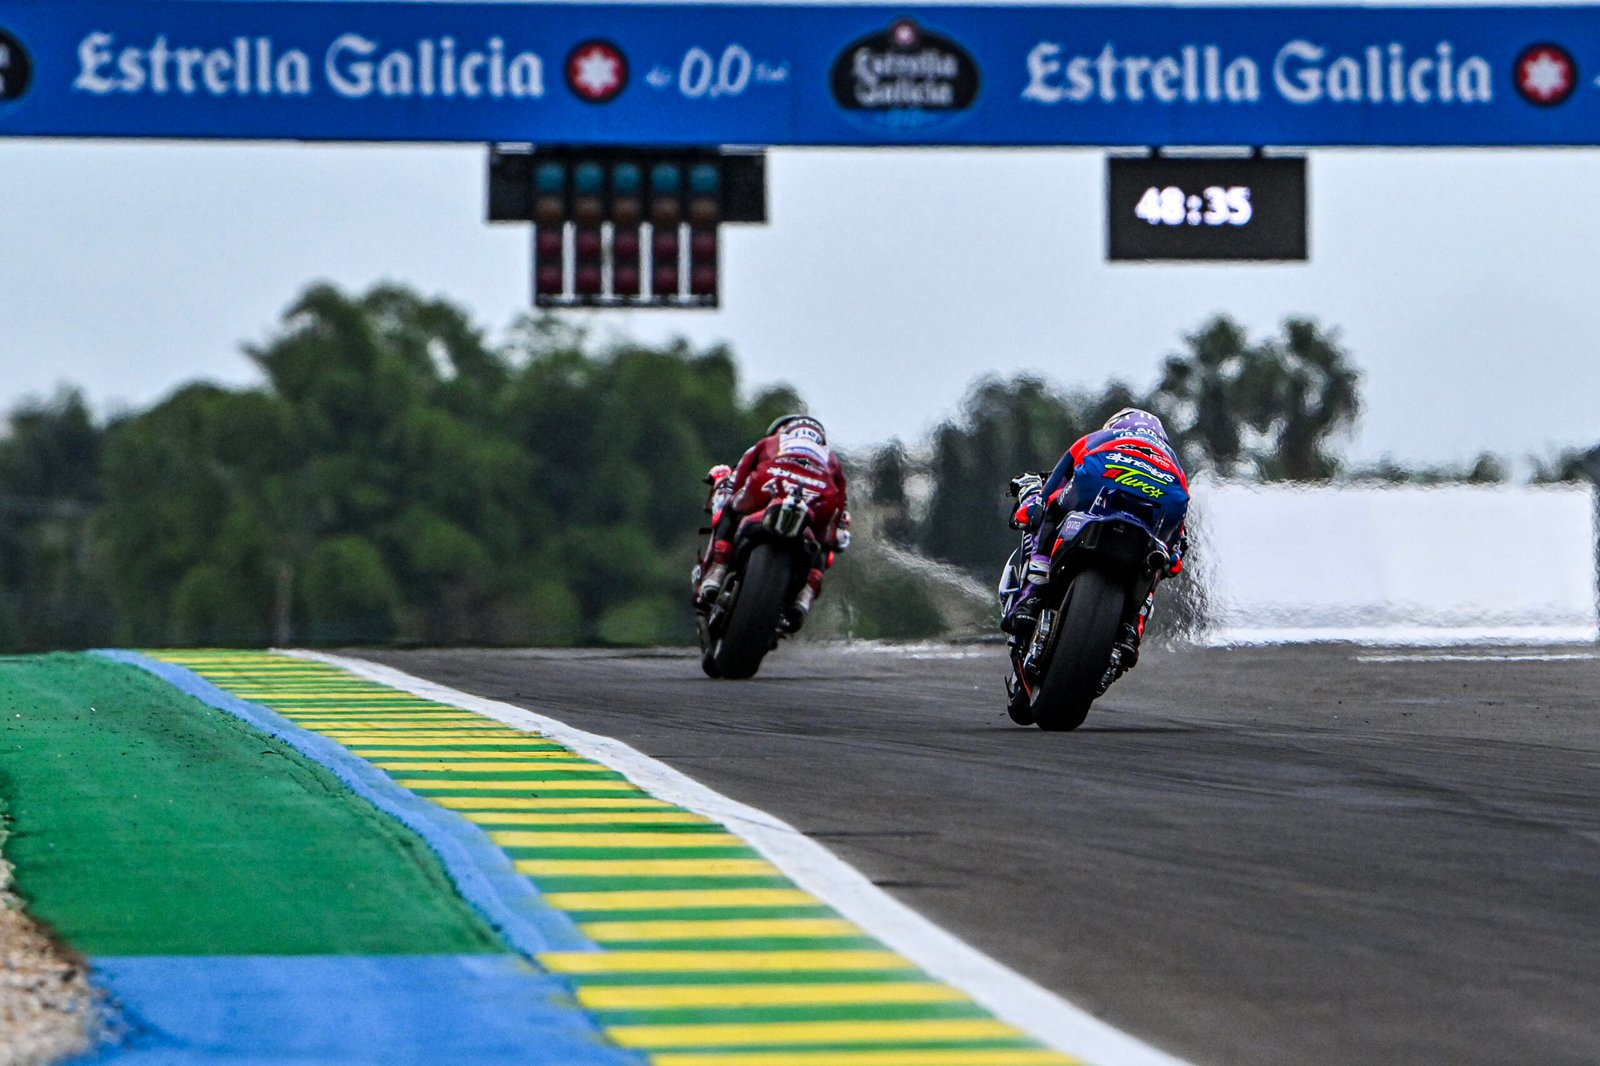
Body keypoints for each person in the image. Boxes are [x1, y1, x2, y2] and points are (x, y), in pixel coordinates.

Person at [1003, 407, 1189, 652]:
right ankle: (1133, 626)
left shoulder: (1105, 436)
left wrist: (1036, 502)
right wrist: (1174, 555)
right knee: (1159, 558)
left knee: (1050, 507)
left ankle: (1034, 590)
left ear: (1117, 423)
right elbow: (1181, 516)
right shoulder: (1171, 458)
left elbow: (1060, 474)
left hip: (1101, 477)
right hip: (1166, 497)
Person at [696, 414, 850, 631]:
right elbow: (840, 506)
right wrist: (837, 532)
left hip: (768, 481)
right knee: (824, 542)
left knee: (731, 507)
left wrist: (726, 486)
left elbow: (737, 480)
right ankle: (805, 593)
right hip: (821, 496)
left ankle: (719, 568)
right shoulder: (830, 458)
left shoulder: (770, 442)